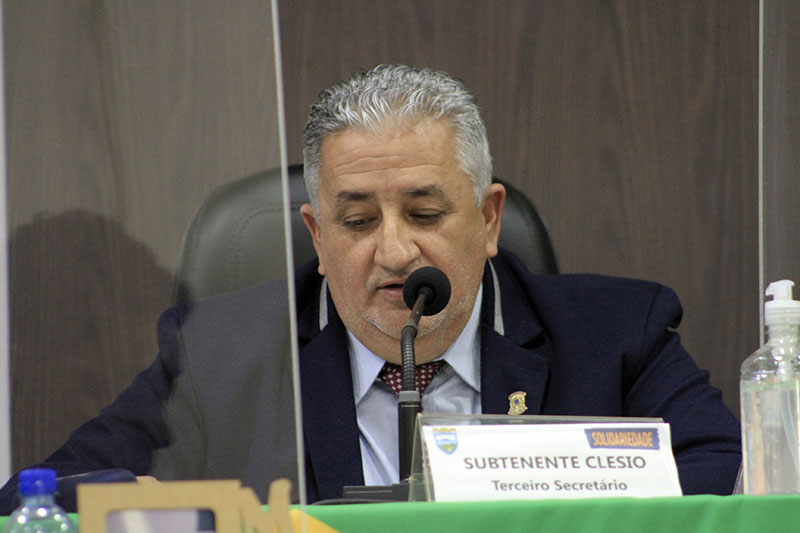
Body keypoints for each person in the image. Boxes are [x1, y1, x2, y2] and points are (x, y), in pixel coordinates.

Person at [0, 65, 741, 512]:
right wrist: (150, 507)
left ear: (488, 220)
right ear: (318, 236)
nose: (392, 250)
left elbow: (728, 484)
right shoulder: (219, 358)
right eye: (357, 221)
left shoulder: (618, 335)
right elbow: (33, 499)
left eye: (425, 213)